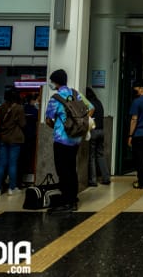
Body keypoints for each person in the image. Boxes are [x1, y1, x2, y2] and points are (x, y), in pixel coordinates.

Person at [45, 69, 94, 213]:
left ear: (55, 82)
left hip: (61, 139)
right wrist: (82, 125)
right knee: (72, 169)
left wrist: (57, 127)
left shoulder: (55, 98)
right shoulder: (76, 94)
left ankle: (68, 202)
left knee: (63, 171)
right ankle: (73, 197)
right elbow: (91, 108)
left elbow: (48, 120)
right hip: (76, 139)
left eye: (52, 81)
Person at [0, 89, 25, 196]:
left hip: (2, 138)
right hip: (15, 139)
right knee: (13, 164)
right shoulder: (19, 108)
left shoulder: (0, 108)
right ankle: (12, 188)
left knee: (1, 164)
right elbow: (23, 124)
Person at [85, 87, 111, 187]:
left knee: (91, 156)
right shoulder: (99, 102)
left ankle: (93, 180)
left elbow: (88, 117)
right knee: (100, 155)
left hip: (93, 131)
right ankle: (106, 178)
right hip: (101, 131)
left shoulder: (90, 104)